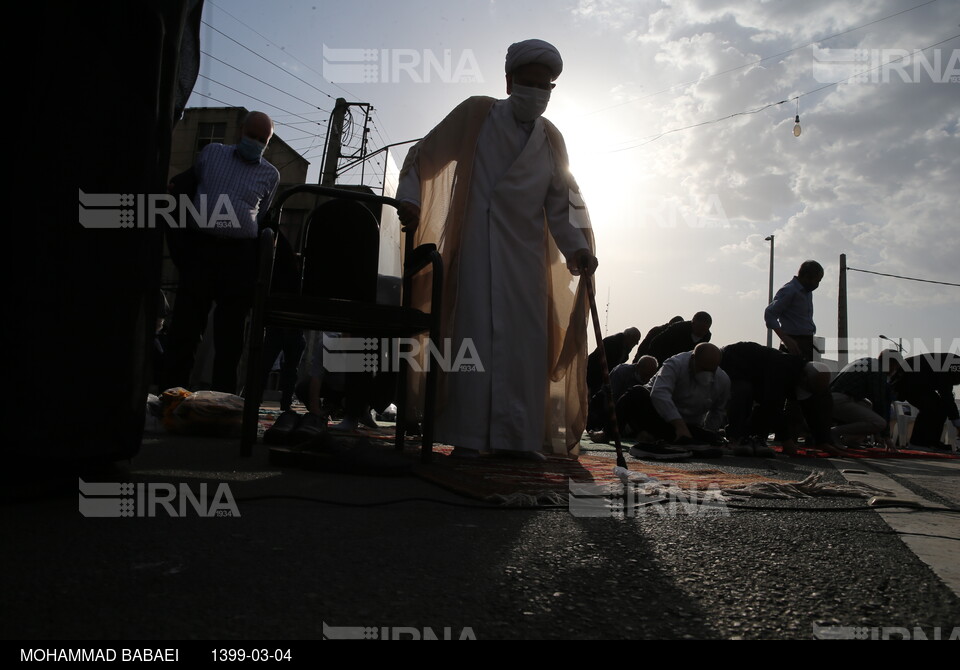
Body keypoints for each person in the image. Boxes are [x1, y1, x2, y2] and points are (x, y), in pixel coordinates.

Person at [396, 39, 597, 460]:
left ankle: (519, 440)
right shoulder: (476, 114)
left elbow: (562, 201)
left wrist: (577, 249)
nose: (537, 93)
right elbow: (423, 155)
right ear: (509, 82)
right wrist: (410, 198)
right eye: (529, 83)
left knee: (526, 345)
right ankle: (468, 437)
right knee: (475, 340)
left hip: (527, 260)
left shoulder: (552, 138)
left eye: (546, 87)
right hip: (478, 251)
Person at [162, 111, 280, 393]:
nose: (255, 143)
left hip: (237, 257)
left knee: (231, 335)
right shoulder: (212, 153)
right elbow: (190, 187)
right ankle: (173, 394)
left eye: (262, 140)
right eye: (251, 136)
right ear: (241, 132)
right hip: (201, 249)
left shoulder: (270, 174)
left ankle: (222, 398)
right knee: (186, 328)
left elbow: (261, 214)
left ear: (268, 143)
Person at [720, 341, 839, 457]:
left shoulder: (802, 375)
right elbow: (772, 404)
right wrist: (786, 440)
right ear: (803, 377)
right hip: (733, 360)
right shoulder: (780, 370)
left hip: (756, 374)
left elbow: (810, 409)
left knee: (763, 402)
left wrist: (822, 440)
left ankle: (754, 437)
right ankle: (734, 438)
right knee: (743, 390)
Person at [617, 343, 730, 460]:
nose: (707, 374)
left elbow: (718, 411)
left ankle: (671, 443)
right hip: (657, 417)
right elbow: (659, 394)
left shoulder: (723, 380)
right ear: (693, 359)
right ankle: (611, 432)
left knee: (711, 440)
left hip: (688, 427)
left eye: (711, 370)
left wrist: (707, 434)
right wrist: (679, 425)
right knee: (636, 393)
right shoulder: (675, 364)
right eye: (703, 369)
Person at [891, 352, 960, 450]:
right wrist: (957, 423)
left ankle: (932, 442)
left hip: (919, 381)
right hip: (909, 379)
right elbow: (946, 394)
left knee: (940, 407)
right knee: (930, 406)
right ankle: (917, 443)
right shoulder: (954, 365)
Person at [830, 355, 896, 450]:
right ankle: (834, 432)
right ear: (891, 364)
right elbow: (880, 402)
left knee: (868, 405)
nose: (893, 372)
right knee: (879, 423)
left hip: (833, 398)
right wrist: (885, 436)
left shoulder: (867, 362)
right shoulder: (877, 370)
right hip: (840, 400)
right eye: (895, 367)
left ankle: (851, 440)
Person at [765, 260, 824, 361]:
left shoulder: (807, 292)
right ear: (806, 277)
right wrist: (785, 339)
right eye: (816, 281)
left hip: (807, 342)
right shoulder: (790, 290)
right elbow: (770, 314)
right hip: (793, 343)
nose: (817, 285)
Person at [586, 327, 641, 397]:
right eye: (635, 340)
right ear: (629, 336)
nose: (636, 343)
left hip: (600, 377)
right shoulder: (612, 343)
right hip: (594, 374)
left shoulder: (624, 349)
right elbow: (601, 362)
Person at [646, 312, 713, 367]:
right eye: (700, 328)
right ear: (693, 323)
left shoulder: (706, 336)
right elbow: (655, 343)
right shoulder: (677, 328)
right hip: (663, 361)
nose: (702, 332)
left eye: (705, 330)